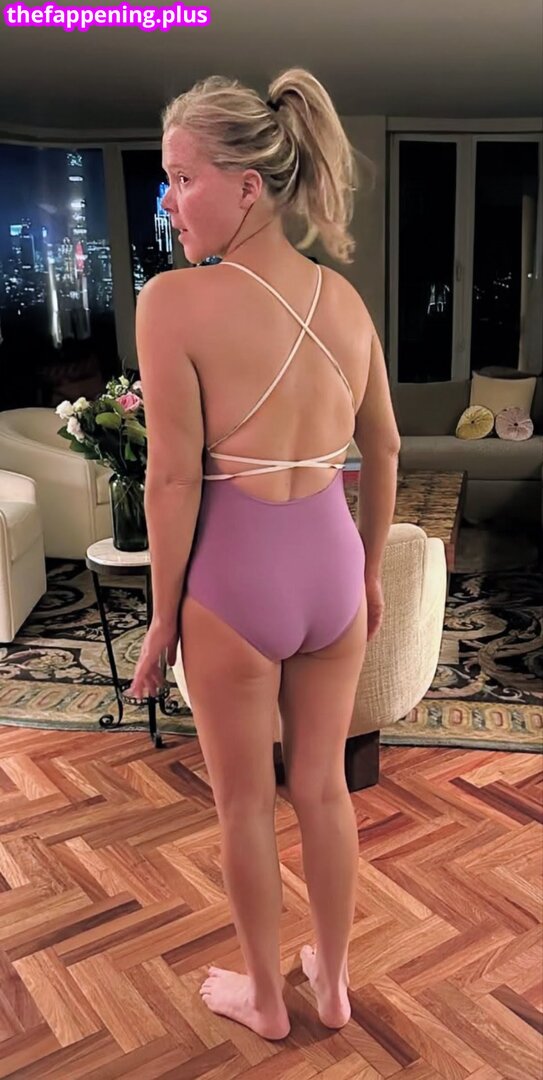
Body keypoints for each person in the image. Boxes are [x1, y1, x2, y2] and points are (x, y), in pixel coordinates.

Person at [128, 68, 401, 1041]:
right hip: (330, 574)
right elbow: (385, 449)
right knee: (322, 789)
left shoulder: (171, 302)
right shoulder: (346, 303)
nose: (168, 200)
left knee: (244, 805)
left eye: (183, 177)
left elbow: (172, 480)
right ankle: (332, 983)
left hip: (234, 585)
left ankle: (263, 998)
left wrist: (162, 618)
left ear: (247, 186)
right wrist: (367, 572)